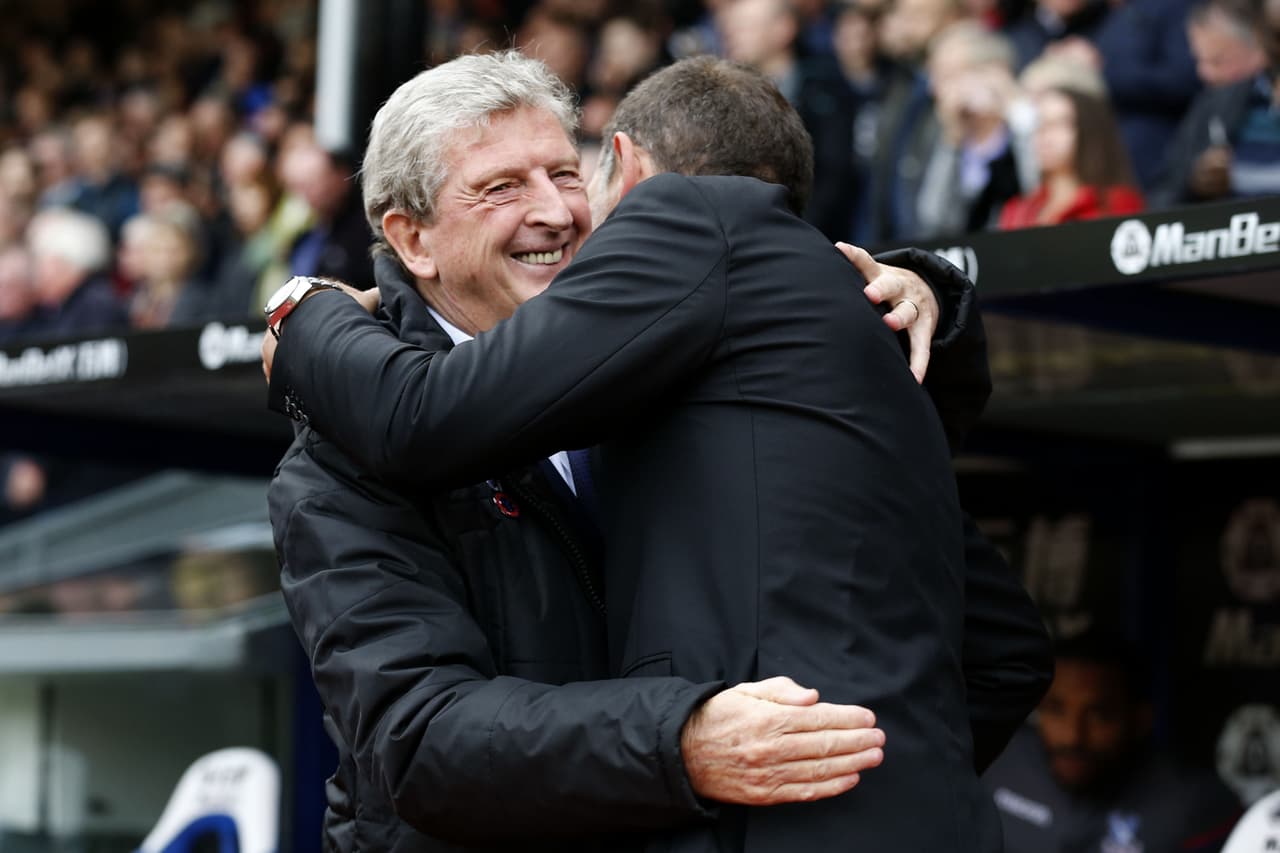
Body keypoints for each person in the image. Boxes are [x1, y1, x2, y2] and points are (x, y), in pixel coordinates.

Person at [266, 53, 1051, 852]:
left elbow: (994, 647)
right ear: (413, 239)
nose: (556, 212)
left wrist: (824, 790)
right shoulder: (340, 457)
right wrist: (681, 745)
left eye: (565, 174)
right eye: (501, 188)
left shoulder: (697, 378)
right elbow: (418, 740)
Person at [983, 636, 1242, 852]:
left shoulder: (1194, 805)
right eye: (1056, 710)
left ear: (1140, 719)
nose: (1073, 736)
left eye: (1099, 715)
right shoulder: (997, 761)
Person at [1151, 0, 1280, 207]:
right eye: (1200, 60)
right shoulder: (1217, 104)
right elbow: (1166, 192)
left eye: (1218, 61)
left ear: (1260, 47)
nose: (1204, 73)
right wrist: (1197, 182)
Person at [998, 86, 1144, 228]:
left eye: (1059, 123)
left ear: (1087, 130)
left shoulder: (1117, 203)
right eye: (1039, 124)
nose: (1045, 133)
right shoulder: (1017, 210)